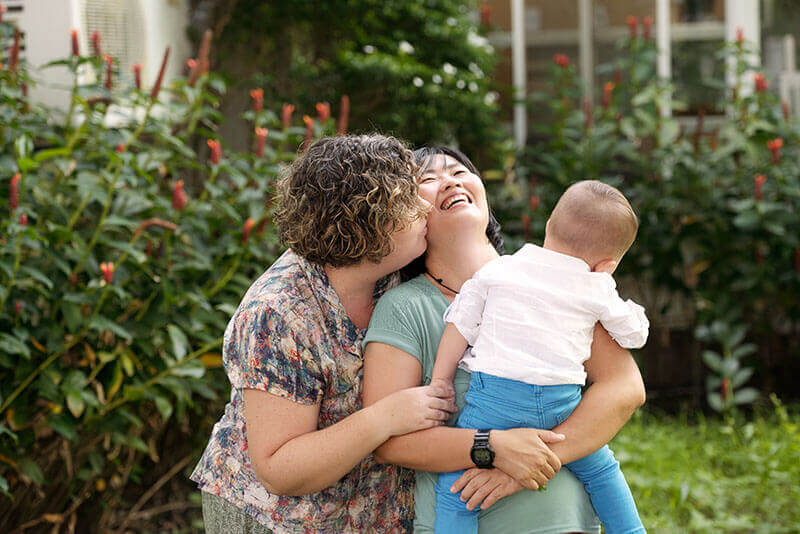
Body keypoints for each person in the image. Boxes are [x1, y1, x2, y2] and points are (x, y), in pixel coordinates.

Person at [362, 147, 647, 533]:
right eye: (427, 179)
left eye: (459, 170)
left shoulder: (552, 283)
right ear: (404, 217)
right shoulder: (405, 308)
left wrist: (527, 465)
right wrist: (493, 448)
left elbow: (625, 389)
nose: (449, 180)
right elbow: (390, 443)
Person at [190, 134, 457, 533]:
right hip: (275, 520)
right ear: (368, 228)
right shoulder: (278, 314)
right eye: (406, 201)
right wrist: (385, 417)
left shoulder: (395, 270)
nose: (424, 206)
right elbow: (279, 468)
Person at [431, 180, 649, 533]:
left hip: (495, 405)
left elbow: (461, 323)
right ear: (608, 263)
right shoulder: (596, 285)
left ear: (549, 225)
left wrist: (441, 380)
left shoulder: (498, 271)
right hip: (558, 405)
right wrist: (609, 291)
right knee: (602, 470)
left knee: (455, 492)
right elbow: (634, 335)